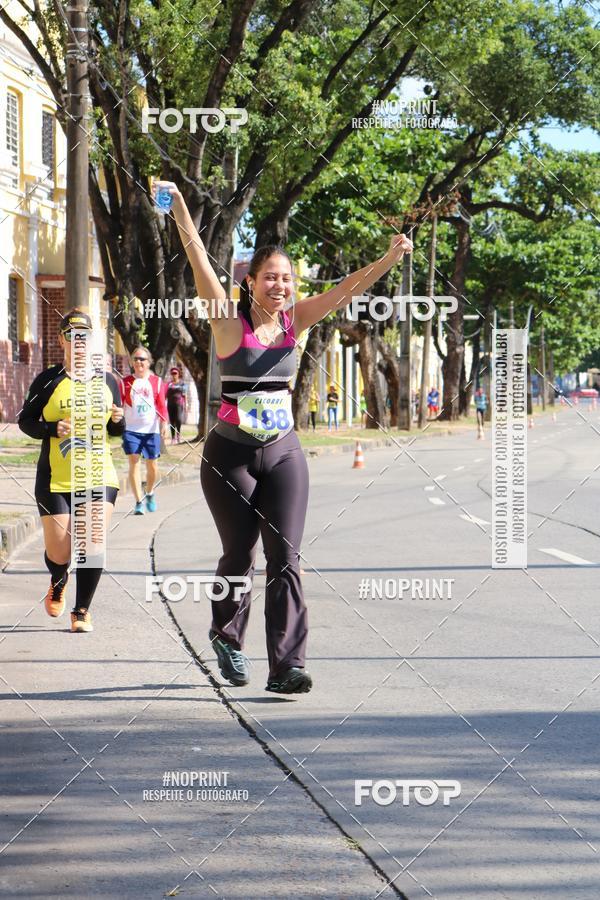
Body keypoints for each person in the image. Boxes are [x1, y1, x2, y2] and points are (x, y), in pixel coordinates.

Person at [154, 178, 412, 694]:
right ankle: (226, 637)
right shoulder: (229, 322)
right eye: (270, 277)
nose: (280, 286)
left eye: (287, 279)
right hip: (230, 457)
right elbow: (201, 261)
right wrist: (181, 206)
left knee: (286, 557)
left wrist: (389, 257)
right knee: (239, 554)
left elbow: (347, 289)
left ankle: (287, 665)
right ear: (251, 283)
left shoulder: (299, 320)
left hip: (285, 454)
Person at [18, 308, 124, 633]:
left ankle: (81, 611)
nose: (78, 342)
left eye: (84, 336)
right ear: (61, 339)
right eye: (71, 336)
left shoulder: (107, 381)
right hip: (55, 477)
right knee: (60, 550)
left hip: (98, 473)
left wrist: (118, 421)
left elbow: (117, 432)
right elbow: (25, 421)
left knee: (93, 542)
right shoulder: (48, 380)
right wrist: (51, 428)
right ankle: (58, 579)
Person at [120, 347, 168, 514]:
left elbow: (161, 404)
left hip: (151, 429)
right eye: (136, 359)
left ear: (149, 362)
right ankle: (139, 501)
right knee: (134, 461)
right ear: (132, 362)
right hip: (131, 429)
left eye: (142, 359)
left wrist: (164, 424)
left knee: (152, 466)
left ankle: (150, 493)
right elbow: (119, 404)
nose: (139, 362)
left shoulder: (157, 382)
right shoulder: (125, 382)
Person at [166, 366, 188, 444]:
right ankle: (173, 438)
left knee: (178, 420)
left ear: (178, 374)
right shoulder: (169, 384)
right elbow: (165, 394)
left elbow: (185, 395)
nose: (174, 375)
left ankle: (178, 436)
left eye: (175, 373)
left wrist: (186, 405)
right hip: (170, 404)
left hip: (179, 404)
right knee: (172, 421)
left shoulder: (182, 384)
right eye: (172, 373)